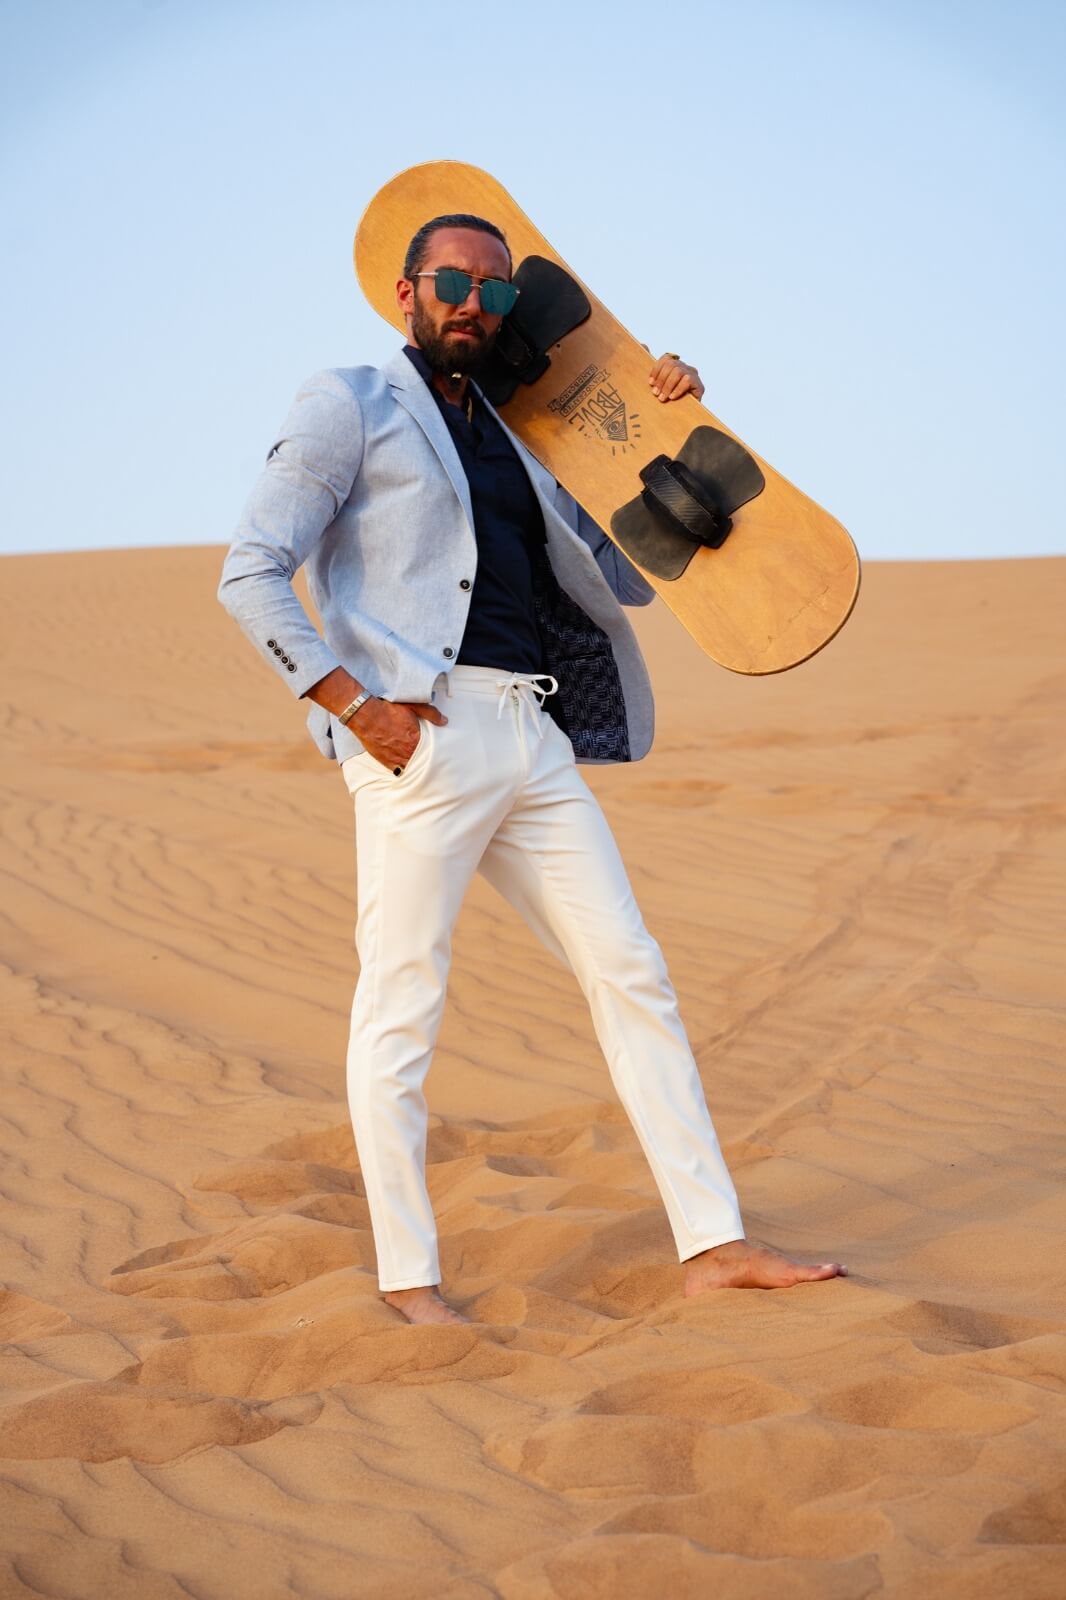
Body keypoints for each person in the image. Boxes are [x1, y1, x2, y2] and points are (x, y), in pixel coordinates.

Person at [218, 212, 847, 1325]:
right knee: (402, 1005)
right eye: (452, 282)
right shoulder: (348, 402)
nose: (474, 303)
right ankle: (409, 1281)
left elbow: (635, 574)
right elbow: (251, 572)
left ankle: (712, 1242)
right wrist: (355, 709)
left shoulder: (531, 438)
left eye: (496, 291)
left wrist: (663, 424)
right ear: (407, 293)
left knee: (632, 973)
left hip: (534, 737)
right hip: (419, 738)